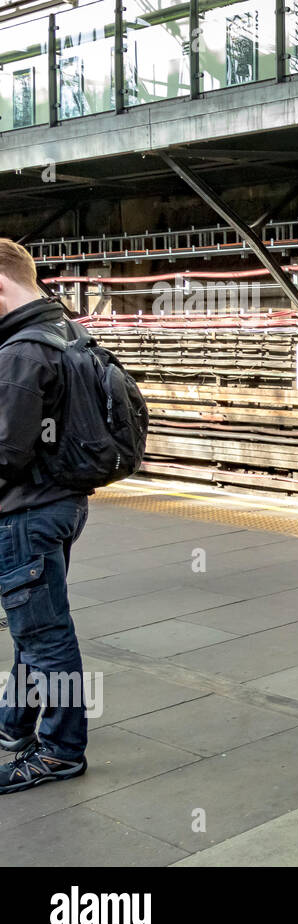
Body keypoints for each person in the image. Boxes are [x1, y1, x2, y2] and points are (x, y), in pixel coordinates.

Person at [0, 238, 93, 793]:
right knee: (34, 628)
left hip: (24, 514)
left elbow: (4, 453)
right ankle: (15, 722)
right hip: (60, 504)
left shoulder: (19, 353)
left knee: (46, 637)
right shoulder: (67, 330)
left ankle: (60, 751)